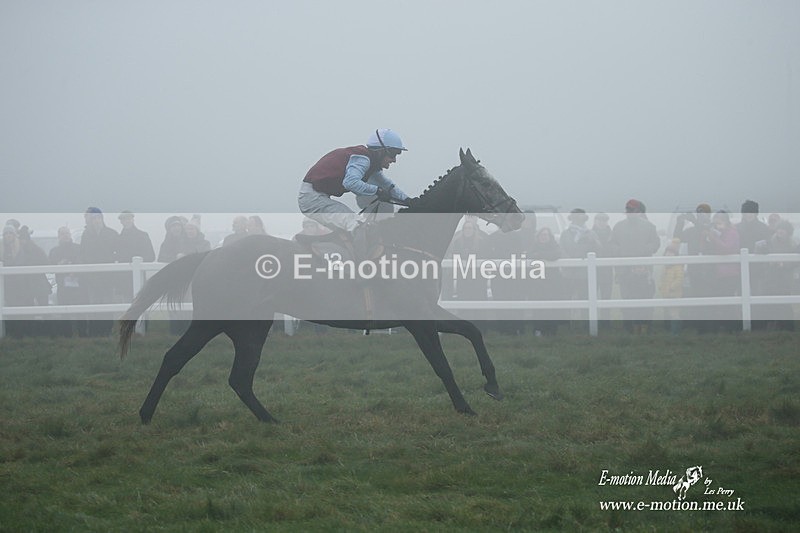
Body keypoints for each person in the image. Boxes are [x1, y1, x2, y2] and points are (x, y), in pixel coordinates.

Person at [297, 129, 411, 256]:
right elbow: (350, 182)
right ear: (381, 151)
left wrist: (409, 201)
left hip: (317, 197)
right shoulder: (363, 159)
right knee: (359, 226)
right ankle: (359, 269)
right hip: (312, 199)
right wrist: (377, 191)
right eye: (393, 154)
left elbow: (388, 186)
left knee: (355, 227)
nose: (394, 160)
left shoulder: (371, 165)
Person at [609, 199, 660, 334]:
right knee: (627, 299)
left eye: (633, 210)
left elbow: (655, 244)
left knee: (645, 299)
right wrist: (621, 251)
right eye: (628, 210)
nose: (630, 213)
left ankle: (645, 327)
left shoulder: (649, 227)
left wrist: (645, 250)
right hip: (625, 271)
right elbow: (612, 244)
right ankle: (628, 328)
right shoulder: (618, 227)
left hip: (644, 271)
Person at [673, 203, 714, 333]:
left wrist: (695, 222)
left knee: (708, 297)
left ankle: (707, 327)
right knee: (695, 295)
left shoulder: (713, 228)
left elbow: (710, 235)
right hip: (694, 270)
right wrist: (680, 222)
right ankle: (695, 325)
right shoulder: (691, 231)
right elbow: (677, 237)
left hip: (710, 270)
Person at [79, 207, 120, 337]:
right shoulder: (86, 235)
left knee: (107, 304)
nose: (96, 221)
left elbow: (118, 252)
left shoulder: (111, 233)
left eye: (98, 218)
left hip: (108, 278)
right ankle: (95, 332)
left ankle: (107, 331)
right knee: (94, 305)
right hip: (92, 278)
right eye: (93, 218)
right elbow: (83, 254)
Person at [705, 211, 741, 331]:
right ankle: (723, 326)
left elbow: (727, 249)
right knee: (719, 301)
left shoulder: (732, 233)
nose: (717, 226)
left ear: (726, 222)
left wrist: (714, 238)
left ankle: (734, 327)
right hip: (717, 273)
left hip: (730, 273)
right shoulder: (717, 234)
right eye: (715, 224)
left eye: (720, 223)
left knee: (728, 300)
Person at [49, 226, 87, 336]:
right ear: (59, 236)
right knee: (64, 310)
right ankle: (66, 336)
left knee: (80, 311)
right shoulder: (54, 251)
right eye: (62, 234)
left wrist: (75, 269)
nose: (65, 236)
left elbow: (83, 261)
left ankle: (83, 334)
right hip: (62, 286)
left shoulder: (78, 248)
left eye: (67, 233)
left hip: (79, 286)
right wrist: (59, 265)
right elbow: (50, 264)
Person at [658, 238, 684, 334]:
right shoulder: (665, 267)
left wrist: (672, 287)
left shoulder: (678, 267)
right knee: (670, 312)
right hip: (666, 293)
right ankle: (672, 330)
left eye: (671, 253)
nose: (668, 254)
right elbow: (662, 278)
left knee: (674, 313)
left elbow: (679, 279)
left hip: (674, 294)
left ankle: (676, 331)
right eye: (667, 252)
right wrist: (661, 286)